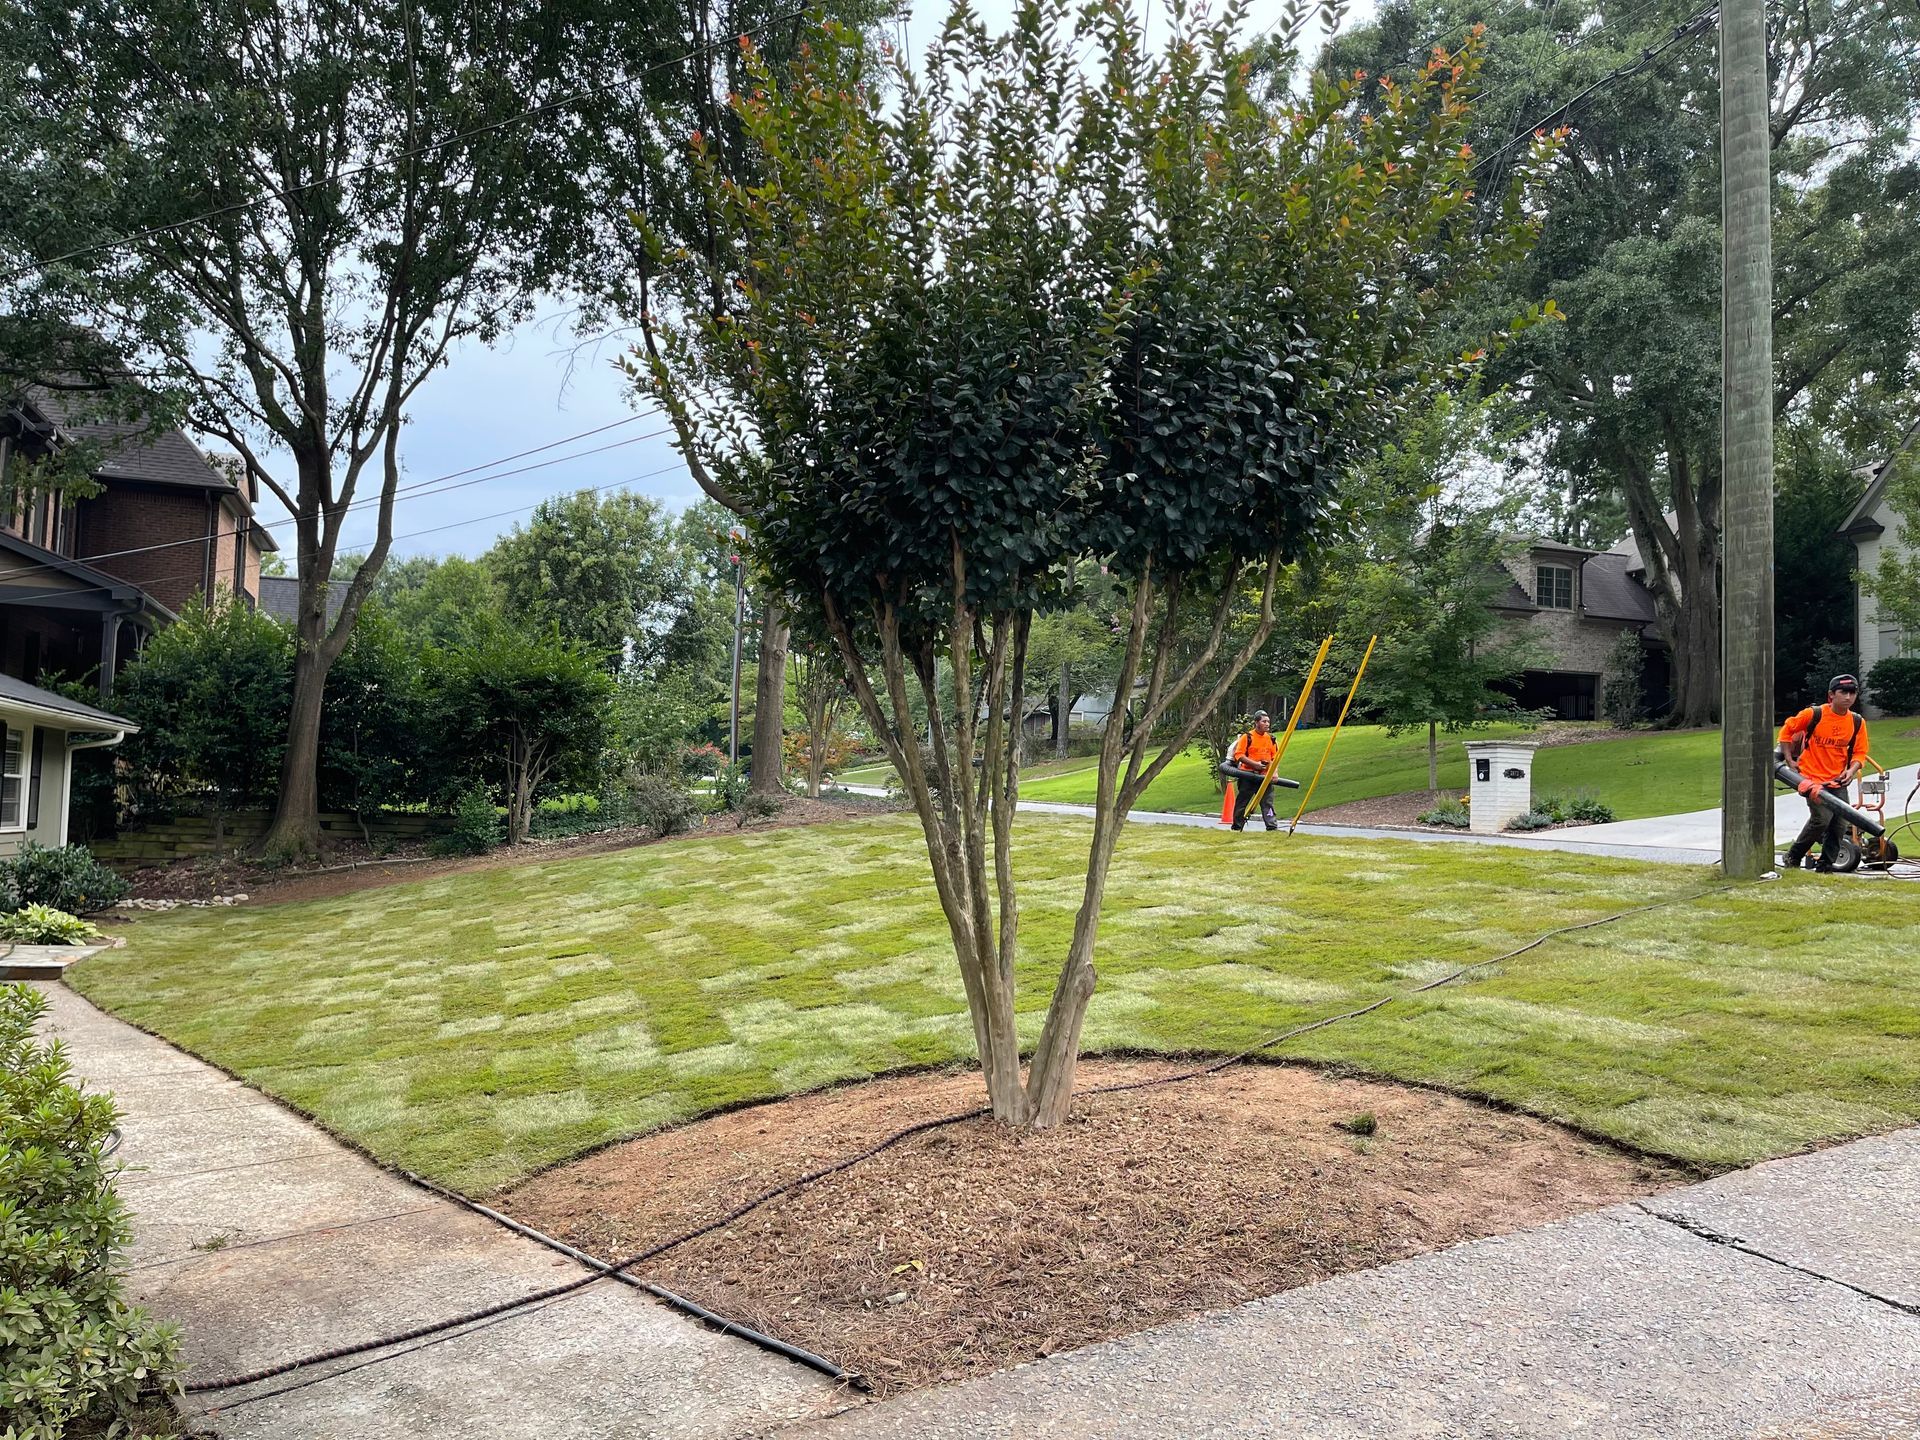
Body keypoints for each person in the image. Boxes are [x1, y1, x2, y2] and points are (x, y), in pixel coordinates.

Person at [1778, 674, 1870, 872]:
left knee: (1839, 824)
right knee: (1821, 819)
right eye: (1843, 692)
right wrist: (1789, 758)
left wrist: (1851, 770)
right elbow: (1787, 730)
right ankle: (1793, 857)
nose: (1848, 697)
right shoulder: (1814, 714)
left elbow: (1860, 752)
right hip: (1811, 778)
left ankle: (1826, 865)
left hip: (1838, 780)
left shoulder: (1856, 722)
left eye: (1852, 692)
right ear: (1831, 695)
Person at [1227, 711, 1280, 832]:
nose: (1267, 724)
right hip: (1248, 775)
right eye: (1264, 721)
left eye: (1268, 721)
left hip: (1265, 777)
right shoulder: (1247, 737)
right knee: (1242, 802)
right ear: (1256, 723)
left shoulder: (1271, 739)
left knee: (1268, 802)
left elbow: (1275, 758)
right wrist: (1255, 764)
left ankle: (1272, 826)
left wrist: (1274, 772)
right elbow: (1239, 755)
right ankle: (1237, 826)